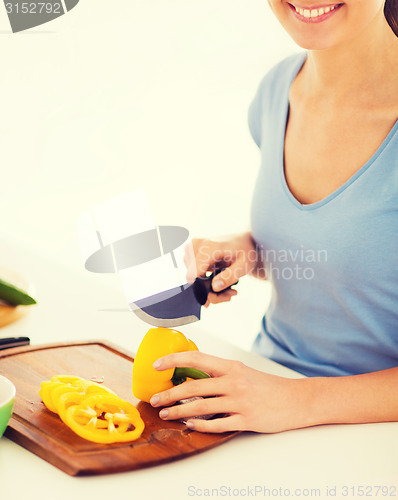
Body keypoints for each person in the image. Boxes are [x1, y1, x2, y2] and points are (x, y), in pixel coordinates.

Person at [149, 0, 398, 433]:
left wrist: (293, 400)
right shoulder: (278, 88)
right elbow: (351, 256)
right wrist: (246, 250)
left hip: (371, 435)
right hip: (262, 394)